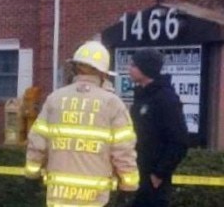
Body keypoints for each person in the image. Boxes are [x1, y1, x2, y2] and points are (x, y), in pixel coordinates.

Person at [25, 41, 139, 207]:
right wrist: (129, 187)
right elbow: (124, 151)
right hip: (96, 199)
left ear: (74, 68)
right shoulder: (112, 103)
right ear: (103, 73)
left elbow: (37, 144)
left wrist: (31, 176)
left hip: (58, 197)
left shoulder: (55, 99)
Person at [128, 49, 189, 207]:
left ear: (146, 68)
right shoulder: (141, 97)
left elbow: (179, 141)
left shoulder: (166, 99)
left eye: (134, 65)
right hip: (136, 175)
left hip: (153, 183)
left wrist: (158, 174)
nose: (129, 68)